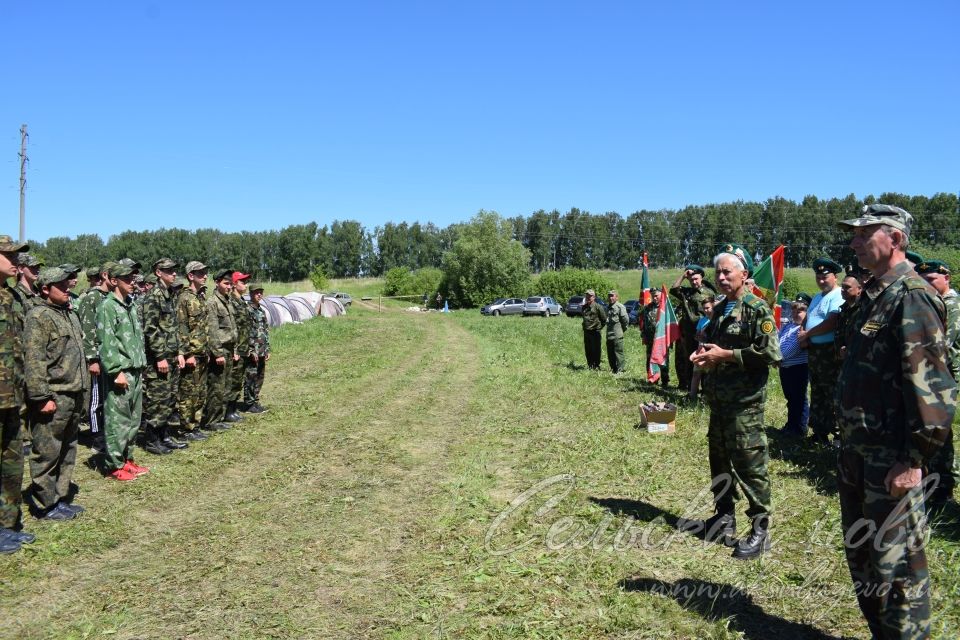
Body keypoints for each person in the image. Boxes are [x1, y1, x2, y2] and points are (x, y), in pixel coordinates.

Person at [836, 204, 957, 638]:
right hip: (859, 457)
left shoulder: (912, 296)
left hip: (892, 461)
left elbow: (933, 392)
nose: (853, 243)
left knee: (899, 569)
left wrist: (913, 459)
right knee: (866, 561)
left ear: (896, 239)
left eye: (863, 234)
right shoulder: (876, 294)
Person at [689, 243, 782, 559]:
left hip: (744, 403)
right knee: (719, 459)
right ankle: (723, 517)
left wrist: (726, 355)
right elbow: (716, 346)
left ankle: (760, 529)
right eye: (718, 272)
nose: (721, 276)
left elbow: (771, 353)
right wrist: (705, 356)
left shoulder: (757, 309)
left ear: (744, 274)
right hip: (719, 400)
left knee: (750, 464)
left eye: (727, 271)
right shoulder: (720, 308)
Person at [24, 267, 86, 520]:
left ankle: (59, 497)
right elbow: (34, 359)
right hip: (55, 395)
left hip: (74, 392)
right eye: (60, 285)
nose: (67, 287)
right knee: (47, 451)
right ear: (46, 289)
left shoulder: (68, 314)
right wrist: (41, 397)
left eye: (67, 284)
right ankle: (45, 503)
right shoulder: (39, 316)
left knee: (68, 448)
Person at [96, 262, 149, 481]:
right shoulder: (108, 306)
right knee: (118, 420)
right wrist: (115, 370)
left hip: (135, 369)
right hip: (121, 371)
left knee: (134, 419)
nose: (132, 282)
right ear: (115, 280)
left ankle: (127, 458)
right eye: (127, 278)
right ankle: (114, 464)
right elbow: (106, 342)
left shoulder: (130, 304)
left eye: (133, 278)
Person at [915, 258, 960, 512]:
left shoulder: (952, 305)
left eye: (931, 280)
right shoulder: (935, 302)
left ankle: (945, 490)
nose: (927, 284)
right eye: (923, 280)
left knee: (941, 432)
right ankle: (933, 484)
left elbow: (941, 342)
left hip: (943, 379)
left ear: (946, 278)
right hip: (931, 376)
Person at [0, 235, 33, 554]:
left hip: (12, 395)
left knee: (11, 464)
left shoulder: (12, 296)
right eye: (8, 255)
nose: (16, 261)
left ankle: (7, 524)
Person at [140, 258, 187, 455]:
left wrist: (178, 352)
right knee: (157, 400)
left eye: (174, 270)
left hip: (171, 357)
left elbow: (173, 328)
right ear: (158, 272)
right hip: (159, 359)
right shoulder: (154, 296)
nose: (174, 274)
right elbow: (150, 329)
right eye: (168, 270)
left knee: (169, 399)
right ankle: (152, 440)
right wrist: (159, 356)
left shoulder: (169, 295)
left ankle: (164, 436)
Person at [798, 257, 843, 445]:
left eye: (825, 277)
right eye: (818, 277)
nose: (821, 280)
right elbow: (807, 318)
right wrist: (803, 334)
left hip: (829, 352)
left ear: (835, 277)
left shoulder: (838, 295)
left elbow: (831, 322)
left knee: (833, 393)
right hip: (815, 351)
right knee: (817, 391)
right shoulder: (818, 297)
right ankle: (819, 432)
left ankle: (839, 435)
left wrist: (808, 333)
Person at [76, 263, 113, 454]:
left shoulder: (113, 297)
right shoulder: (92, 297)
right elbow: (87, 331)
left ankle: (109, 434)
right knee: (96, 400)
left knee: (109, 398)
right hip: (97, 357)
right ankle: (97, 438)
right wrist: (92, 359)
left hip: (112, 358)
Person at [176, 262, 212, 440]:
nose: (205, 276)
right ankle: (186, 429)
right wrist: (187, 353)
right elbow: (181, 328)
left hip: (203, 352)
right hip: (192, 354)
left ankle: (195, 425)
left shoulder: (201, 297)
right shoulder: (184, 298)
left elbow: (204, 327)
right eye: (200, 273)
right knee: (188, 393)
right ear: (191, 276)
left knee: (200, 392)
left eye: (205, 273)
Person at [203, 269, 238, 431]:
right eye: (226, 283)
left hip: (230, 348)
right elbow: (212, 329)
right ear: (217, 283)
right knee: (216, 387)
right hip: (220, 349)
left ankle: (221, 416)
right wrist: (216, 352)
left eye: (231, 283)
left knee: (226, 385)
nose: (229, 286)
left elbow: (232, 327)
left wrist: (235, 349)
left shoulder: (227, 301)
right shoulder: (212, 303)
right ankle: (212, 421)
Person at [670, 265, 714, 392]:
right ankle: (691, 389)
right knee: (689, 360)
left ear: (701, 277)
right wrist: (683, 276)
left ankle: (706, 389)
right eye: (691, 280)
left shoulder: (709, 292)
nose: (694, 282)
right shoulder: (686, 292)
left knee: (705, 360)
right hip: (688, 333)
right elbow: (673, 290)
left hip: (704, 332)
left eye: (696, 279)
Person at [778, 293, 811, 436]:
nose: (796, 313)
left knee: (799, 398)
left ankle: (800, 427)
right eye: (794, 310)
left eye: (801, 310)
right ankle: (791, 424)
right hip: (784, 368)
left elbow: (795, 347)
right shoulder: (788, 326)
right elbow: (778, 342)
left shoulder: (805, 329)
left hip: (798, 368)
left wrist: (778, 358)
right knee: (790, 398)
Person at [228, 272, 252, 419]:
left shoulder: (242, 301)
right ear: (235, 284)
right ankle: (228, 410)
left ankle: (233, 408)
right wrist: (235, 349)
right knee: (233, 380)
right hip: (236, 348)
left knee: (238, 380)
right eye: (242, 281)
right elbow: (232, 328)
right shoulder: (232, 302)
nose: (246, 284)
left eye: (246, 281)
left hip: (244, 347)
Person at [244, 283, 270, 413]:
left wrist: (267, 349)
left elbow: (265, 330)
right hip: (253, 350)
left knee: (260, 376)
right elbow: (246, 332)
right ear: (251, 294)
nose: (259, 294)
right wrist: (250, 349)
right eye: (256, 292)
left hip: (261, 349)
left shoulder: (261, 310)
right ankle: (249, 403)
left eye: (260, 292)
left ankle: (255, 399)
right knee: (251, 376)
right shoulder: (247, 310)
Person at [689, 295, 716, 399]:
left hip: (712, 352)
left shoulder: (717, 320)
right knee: (696, 374)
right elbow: (697, 336)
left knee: (710, 376)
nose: (706, 310)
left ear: (713, 306)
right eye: (704, 308)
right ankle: (692, 396)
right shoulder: (701, 320)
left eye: (708, 308)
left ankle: (708, 397)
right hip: (701, 351)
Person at [641, 288, 668, 386]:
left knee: (662, 360)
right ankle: (653, 378)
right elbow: (644, 323)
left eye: (656, 295)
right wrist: (643, 335)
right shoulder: (647, 308)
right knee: (650, 359)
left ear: (661, 295)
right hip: (650, 339)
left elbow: (669, 325)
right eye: (653, 296)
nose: (654, 297)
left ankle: (665, 381)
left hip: (662, 339)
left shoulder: (665, 307)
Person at [835, 273, 862, 362]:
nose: (842, 289)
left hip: (858, 359)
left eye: (847, 287)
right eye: (842, 286)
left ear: (859, 289)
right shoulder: (843, 309)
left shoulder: (865, 309)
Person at [581, 289, 606, 370]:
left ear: (594, 297)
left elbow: (604, 319)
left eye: (590, 296)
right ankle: (590, 365)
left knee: (596, 350)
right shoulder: (584, 307)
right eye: (587, 295)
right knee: (588, 349)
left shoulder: (598, 307)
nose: (588, 297)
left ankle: (596, 365)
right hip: (586, 332)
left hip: (595, 332)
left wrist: (598, 328)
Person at [605, 290, 629, 374]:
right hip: (609, 335)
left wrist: (621, 330)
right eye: (609, 296)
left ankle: (620, 370)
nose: (610, 298)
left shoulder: (620, 307)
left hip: (617, 335)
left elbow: (625, 320)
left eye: (612, 296)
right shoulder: (608, 307)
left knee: (618, 353)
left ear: (616, 297)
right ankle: (613, 369)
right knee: (610, 353)